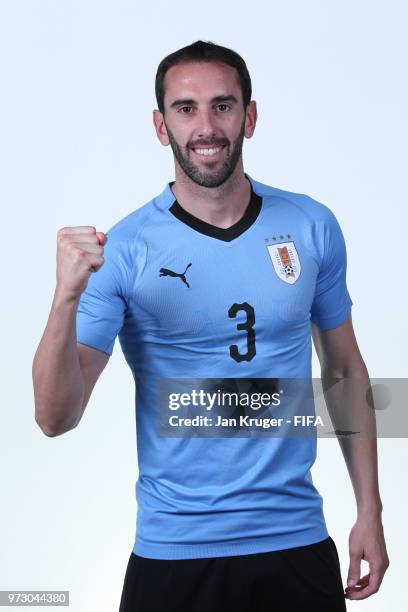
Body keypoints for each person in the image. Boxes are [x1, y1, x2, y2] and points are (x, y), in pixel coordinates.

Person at [32, 40, 389, 611]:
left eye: (223, 106)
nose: (206, 126)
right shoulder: (123, 250)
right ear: (159, 124)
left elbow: (345, 370)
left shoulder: (310, 225)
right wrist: (64, 298)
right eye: (185, 107)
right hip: (176, 553)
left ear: (250, 117)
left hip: (296, 545)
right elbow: (55, 418)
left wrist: (369, 509)